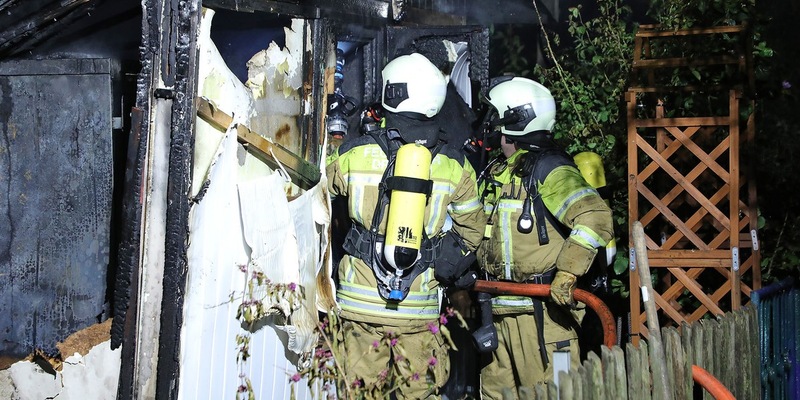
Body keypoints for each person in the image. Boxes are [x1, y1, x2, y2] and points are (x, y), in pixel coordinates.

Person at [326, 52, 485, 399]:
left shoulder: (355, 154)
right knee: (421, 393)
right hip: (418, 308)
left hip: (360, 305)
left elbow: (319, 185)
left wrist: (334, 137)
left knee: (360, 392)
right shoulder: (455, 165)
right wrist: (440, 262)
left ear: (392, 94)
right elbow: (473, 230)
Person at [475, 76, 614, 399]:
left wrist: (568, 272)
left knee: (555, 394)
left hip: (545, 318)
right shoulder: (500, 170)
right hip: (497, 313)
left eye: (496, 117)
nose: (491, 125)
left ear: (515, 119)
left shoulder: (552, 170)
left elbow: (595, 217)